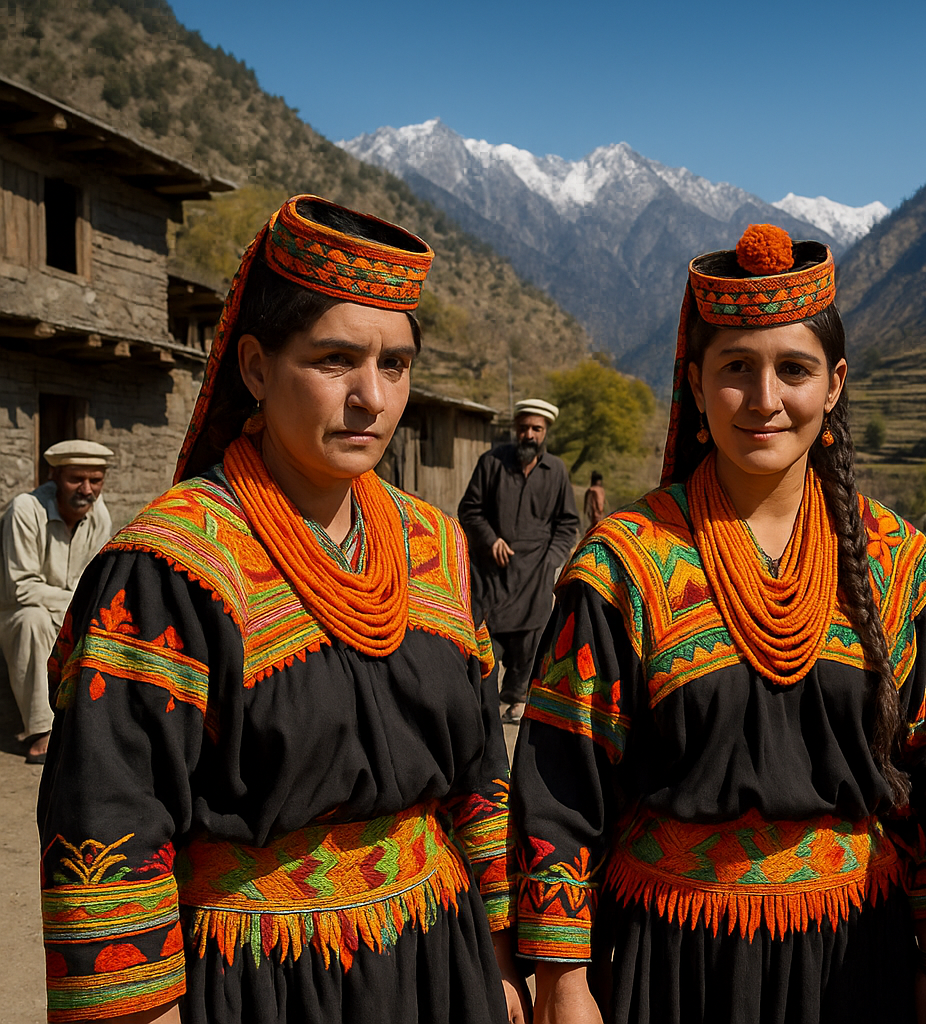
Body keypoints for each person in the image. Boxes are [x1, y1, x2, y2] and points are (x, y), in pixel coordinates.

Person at [36, 196, 524, 1024]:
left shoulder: (437, 547)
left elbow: (480, 771)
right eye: (336, 360)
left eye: (396, 365)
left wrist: (503, 961)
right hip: (263, 977)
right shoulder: (169, 568)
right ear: (257, 368)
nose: (372, 397)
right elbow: (108, 815)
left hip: (442, 957)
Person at [512, 224, 926, 1024]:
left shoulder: (900, 565)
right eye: (736, 368)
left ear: (833, 385)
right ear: (695, 386)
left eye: (794, 369)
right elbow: (561, 780)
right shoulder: (626, 563)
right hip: (673, 959)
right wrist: (564, 980)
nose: (765, 399)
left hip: (856, 957)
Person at [458, 398, 580, 722]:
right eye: (524, 427)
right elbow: (469, 509)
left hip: (535, 575)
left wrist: (551, 560)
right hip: (492, 573)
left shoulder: (556, 471)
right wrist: (490, 539)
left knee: (529, 644)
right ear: (515, 428)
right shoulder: (491, 463)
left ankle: (516, 698)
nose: (529, 434)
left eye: (536, 429)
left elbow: (567, 523)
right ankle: (479, 704)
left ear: (545, 432)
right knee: (484, 641)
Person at [1, 439, 114, 764]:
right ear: (54, 476)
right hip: (20, 613)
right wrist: (77, 604)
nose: (87, 489)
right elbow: (22, 589)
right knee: (32, 620)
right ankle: (41, 732)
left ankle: (93, 730)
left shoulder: (99, 514)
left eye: (95, 480)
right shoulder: (26, 510)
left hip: (66, 610)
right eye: (76, 479)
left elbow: (93, 580)